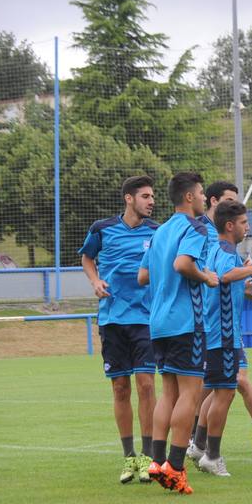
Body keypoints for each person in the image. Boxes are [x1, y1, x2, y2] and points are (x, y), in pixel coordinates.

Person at [138, 172, 217, 495]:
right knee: (190, 393)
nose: (202, 198)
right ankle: (177, 466)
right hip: (186, 321)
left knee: (168, 391)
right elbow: (183, 264)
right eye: (200, 193)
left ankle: (157, 461)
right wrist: (206, 276)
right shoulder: (194, 227)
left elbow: (143, 275)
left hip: (159, 322)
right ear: (189, 197)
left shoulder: (160, 232)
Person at [79, 174, 161, 484]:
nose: (151, 201)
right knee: (120, 388)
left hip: (144, 318)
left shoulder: (157, 232)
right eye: (145, 196)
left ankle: (148, 457)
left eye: (152, 196)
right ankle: (128, 458)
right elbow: (87, 257)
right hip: (112, 319)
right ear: (129, 198)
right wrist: (95, 280)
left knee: (146, 385)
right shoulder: (102, 229)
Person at [188, 182, 252, 456]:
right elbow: (225, 276)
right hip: (222, 335)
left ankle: (197, 446)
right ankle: (212, 455)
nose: (247, 227)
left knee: (214, 391)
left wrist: (244, 286)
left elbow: (224, 281)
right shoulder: (225, 252)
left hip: (216, 332)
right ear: (229, 226)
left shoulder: (218, 251)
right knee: (224, 392)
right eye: (244, 222)